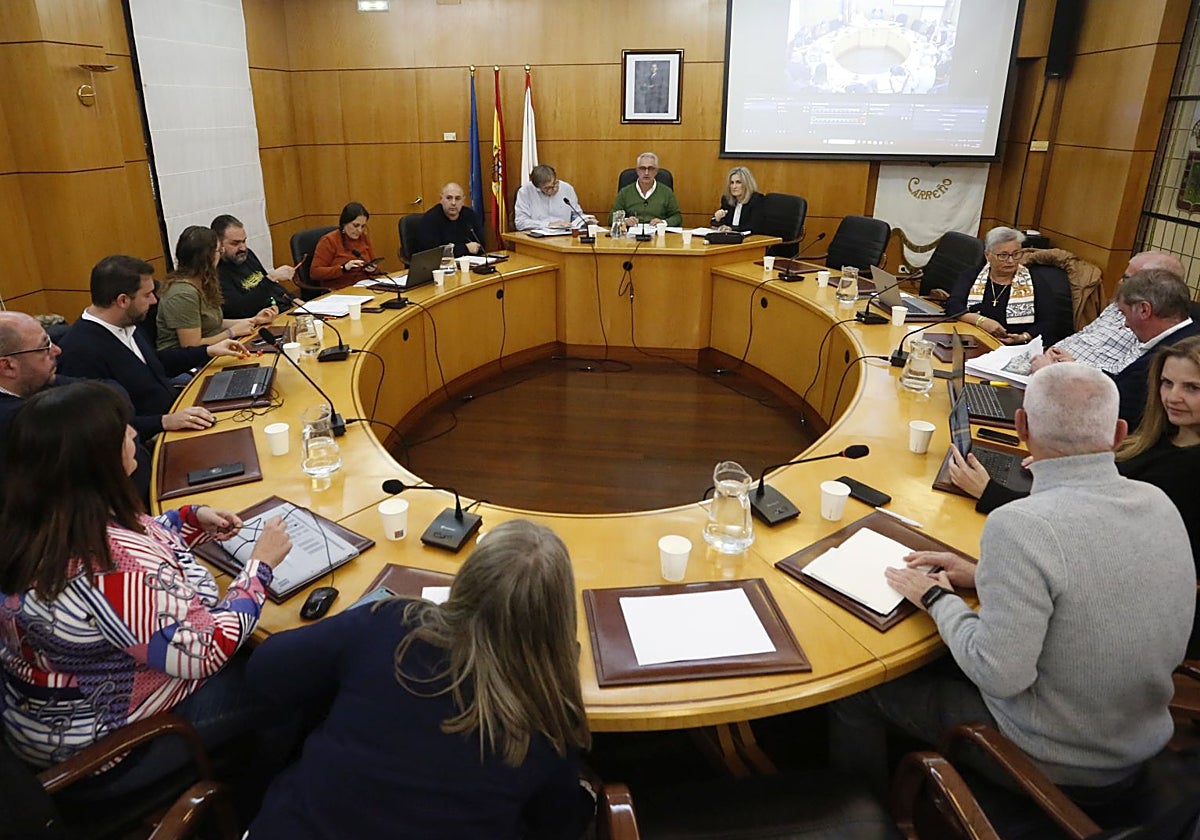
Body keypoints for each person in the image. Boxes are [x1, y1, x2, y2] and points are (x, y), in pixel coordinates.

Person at [831, 363, 1195, 799]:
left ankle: (866, 813)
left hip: (1056, 761)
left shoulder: (1021, 525)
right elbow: (1089, 582)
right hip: (1136, 735)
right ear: (1119, 434)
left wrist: (935, 597)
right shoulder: (1157, 501)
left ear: (1021, 427)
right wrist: (983, 575)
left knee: (858, 689)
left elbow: (998, 675)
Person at [0, 381, 291, 790]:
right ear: (96, 460)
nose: (135, 433)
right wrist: (260, 567)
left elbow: (141, 533)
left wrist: (189, 519)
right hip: (114, 746)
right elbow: (207, 651)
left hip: (42, 715)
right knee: (294, 677)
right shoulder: (107, 565)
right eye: (123, 432)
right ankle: (262, 791)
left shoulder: (40, 517)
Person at [244, 519, 594, 839]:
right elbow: (559, 825)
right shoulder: (548, 717)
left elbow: (265, 671)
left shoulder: (391, 623)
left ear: (465, 581)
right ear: (559, 620)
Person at [57, 255, 249, 439]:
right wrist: (163, 422)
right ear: (123, 300)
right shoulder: (80, 352)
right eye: (147, 295)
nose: (154, 301)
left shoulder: (127, 322)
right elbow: (102, 427)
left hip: (178, 412)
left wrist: (207, 351)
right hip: (154, 437)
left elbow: (154, 364)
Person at [0, 311, 153, 504]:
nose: (57, 350)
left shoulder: (37, 380)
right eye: (44, 347)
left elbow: (115, 392)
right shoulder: (18, 420)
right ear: (8, 366)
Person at [1031, 251, 1186, 374]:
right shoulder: (1119, 304)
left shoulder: (1148, 326)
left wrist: (1068, 367)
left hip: (1074, 380)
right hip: (1049, 363)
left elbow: (1121, 375)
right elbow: (1085, 333)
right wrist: (1051, 352)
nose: (1120, 282)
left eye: (1127, 279)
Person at [945, 226, 1072, 347]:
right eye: (1003, 255)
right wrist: (981, 321)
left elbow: (1049, 322)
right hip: (975, 339)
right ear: (987, 255)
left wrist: (1023, 337)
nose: (1011, 261)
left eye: (1016, 254)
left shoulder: (1035, 281)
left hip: (1017, 347)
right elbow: (953, 305)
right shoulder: (972, 276)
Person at [157, 225, 276, 350]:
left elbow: (213, 324)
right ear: (207, 257)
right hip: (194, 359)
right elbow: (191, 346)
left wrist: (254, 320)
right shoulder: (183, 294)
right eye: (219, 251)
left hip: (214, 349)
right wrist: (231, 333)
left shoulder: (203, 281)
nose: (221, 254)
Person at [212, 214, 296, 319]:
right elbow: (240, 310)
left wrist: (293, 299)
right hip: (255, 321)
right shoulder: (216, 271)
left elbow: (270, 287)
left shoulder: (247, 255)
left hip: (277, 311)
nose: (243, 248)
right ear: (219, 244)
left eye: (244, 241)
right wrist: (271, 278)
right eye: (235, 243)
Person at [309, 201, 382, 289]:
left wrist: (373, 269)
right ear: (344, 223)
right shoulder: (329, 241)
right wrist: (343, 268)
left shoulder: (363, 238)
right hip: (340, 289)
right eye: (356, 225)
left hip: (365, 286)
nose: (359, 230)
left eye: (362, 226)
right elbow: (315, 273)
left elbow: (375, 268)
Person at [611, 152, 682, 228]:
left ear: (656, 171)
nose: (646, 173)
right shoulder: (625, 192)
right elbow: (611, 217)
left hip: (657, 233)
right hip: (631, 234)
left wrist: (663, 222)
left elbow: (677, 217)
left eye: (651, 169)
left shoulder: (667, 192)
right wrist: (625, 221)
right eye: (642, 168)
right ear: (637, 170)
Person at [514, 165, 594, 231]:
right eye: (548, 188)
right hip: (536, 237)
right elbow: (520, 223)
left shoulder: (567, 188)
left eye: (555, 183)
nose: (554, 188)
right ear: (538, 188)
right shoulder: (525, 192)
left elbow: (576, 215)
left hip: (564, 236)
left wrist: (585, 221)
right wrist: (549, 224)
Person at [420, 183, 486, 256]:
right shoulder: (430, 219)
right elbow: (433, 253)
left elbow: (481, 246)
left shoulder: (470, 215)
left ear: (463, 201)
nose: (453, 203)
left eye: (457, 198)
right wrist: (465, 248)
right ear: (441, 199)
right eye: (449, 198)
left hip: (469, 261)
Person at [710, 166, 764, 232]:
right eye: (732, 183)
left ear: (747, 184)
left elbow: (753, 226)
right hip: (729, 237)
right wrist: (717, 219)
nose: (734, 186)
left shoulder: (756, 199)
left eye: (738, 182)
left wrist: (731, 229)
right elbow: (717, 225)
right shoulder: (726, 200)